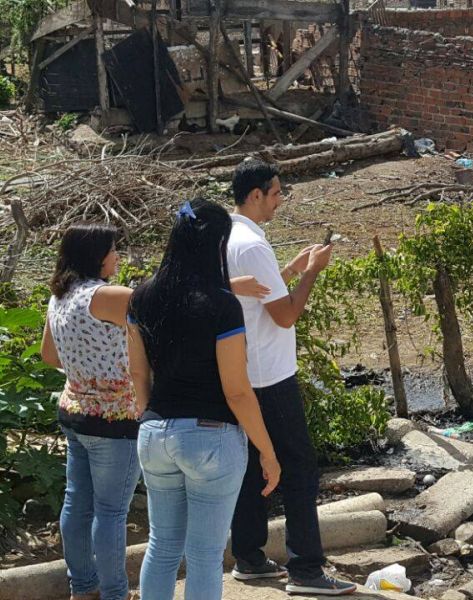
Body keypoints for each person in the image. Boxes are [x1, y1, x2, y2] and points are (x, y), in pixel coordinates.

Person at [126, 199, 282, 600]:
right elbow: (237, 390)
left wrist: (149, 413)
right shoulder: (221, 303)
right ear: (218, 245)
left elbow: (138, 372)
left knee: (161, 547)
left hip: (155, 433)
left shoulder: (142, 297)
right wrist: (267, 451)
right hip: (210, 437)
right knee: (205, 555)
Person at [227, 159, 357, 595]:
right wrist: (314, 271)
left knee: (251, 466)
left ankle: (248, 556)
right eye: (277, 193)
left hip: (244, 369)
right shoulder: (253, 245)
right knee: (298, 467)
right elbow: (284, 315)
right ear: (256, 195)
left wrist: (291, 270)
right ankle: (306, 570)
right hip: (270, 374)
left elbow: (258, 295)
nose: (281, 201)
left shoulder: (227, 234)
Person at [40, 223, 140, 600]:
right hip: (115, 420)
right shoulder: (107, 295)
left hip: (74, 411)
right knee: (111, 513)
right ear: (97, 256)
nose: (117, 256)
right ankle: (115, 594)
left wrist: (86, 371)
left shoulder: (60, 296)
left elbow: (49, 357)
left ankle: (83, 588)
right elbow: (162, 304)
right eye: (113, 249)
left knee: (76, 505)